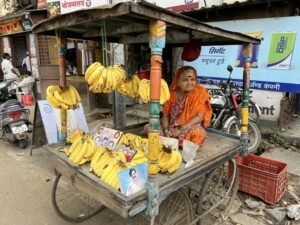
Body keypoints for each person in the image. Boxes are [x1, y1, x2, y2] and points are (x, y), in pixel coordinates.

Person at [160, 66, 212, 146]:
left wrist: (180, 129)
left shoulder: (200, 93)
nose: (190, 83)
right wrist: (166, 130)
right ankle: (171, 140)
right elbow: (166, 116)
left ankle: (170, 142)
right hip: (171, 126)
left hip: (188, 127)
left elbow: (200, 116)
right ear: (178, 82)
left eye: (192, 80)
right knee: (150, 127)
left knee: (197, 134)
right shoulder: (170, 94)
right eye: (185, 80)